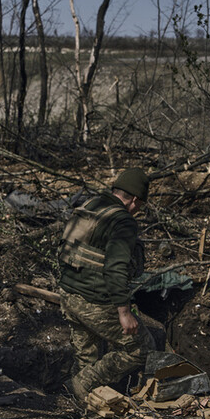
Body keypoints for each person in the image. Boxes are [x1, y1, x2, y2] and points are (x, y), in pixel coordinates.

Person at [57, 168, 152, 400]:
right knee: (141, 348)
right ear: (135, 200)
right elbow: (116, 267)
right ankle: (78, 386)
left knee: (87, 357)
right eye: (140, 206)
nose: (139, 211)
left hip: (68, 294)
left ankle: (79, 406)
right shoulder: (123, 221)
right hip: (94, 300)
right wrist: (124, 311)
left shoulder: (90, 205)